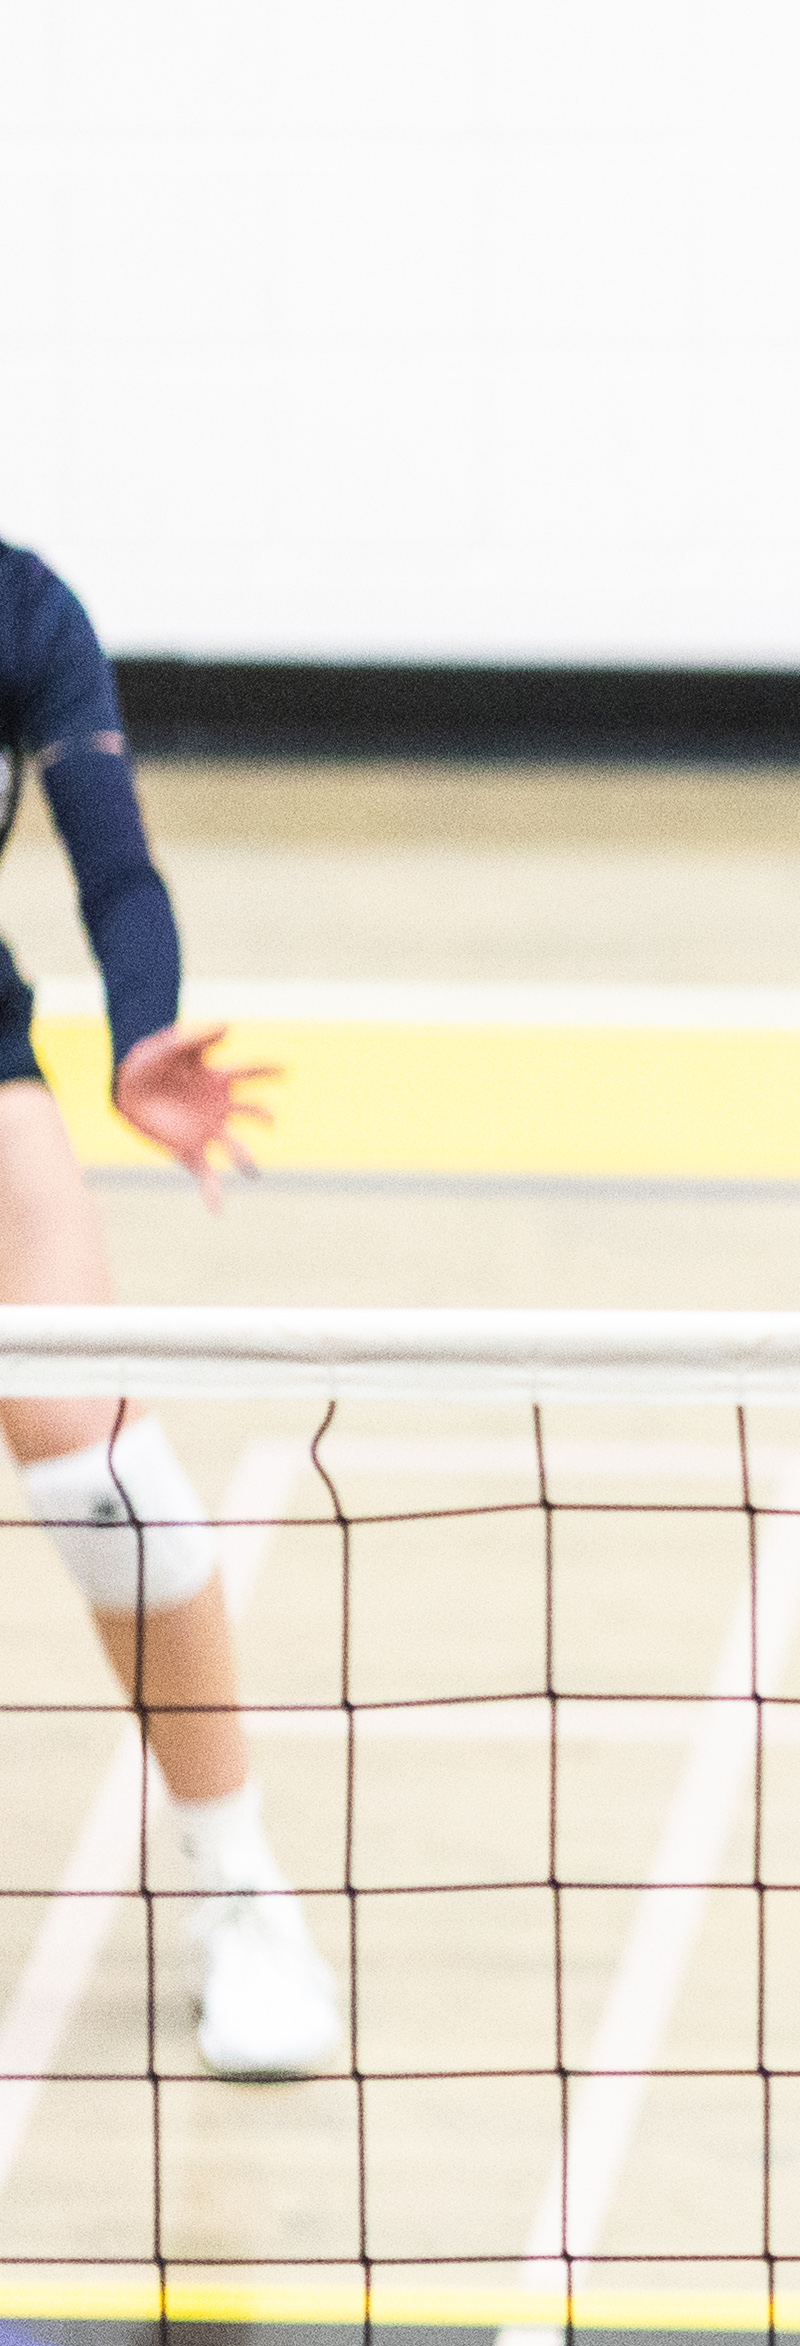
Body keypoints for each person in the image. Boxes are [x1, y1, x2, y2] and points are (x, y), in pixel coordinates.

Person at [0, 541, 328, 2074]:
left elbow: (115, 867)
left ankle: (243, 1895)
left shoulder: (21, 609)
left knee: (103, 1476)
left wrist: (143, 1029)